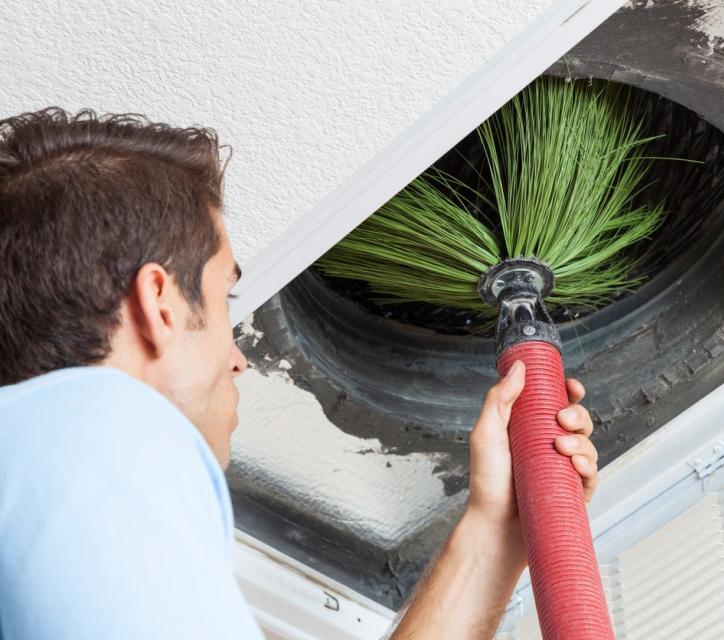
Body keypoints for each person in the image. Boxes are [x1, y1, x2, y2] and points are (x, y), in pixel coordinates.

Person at [0, 108, 601, 639]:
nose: (238, 358)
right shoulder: (95, 451)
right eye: (223, 302)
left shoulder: (46, 486)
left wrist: (496, 532)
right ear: (161, 305)